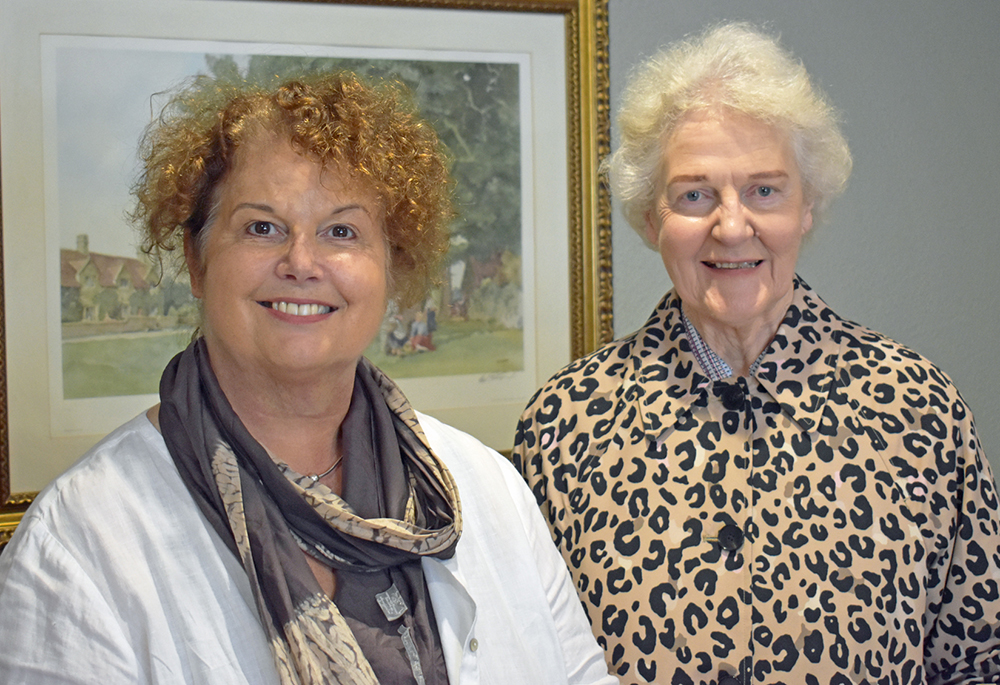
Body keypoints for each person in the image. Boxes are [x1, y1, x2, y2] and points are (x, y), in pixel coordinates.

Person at [0, 72, 616, 685]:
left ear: (391, 267)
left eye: (341, 232)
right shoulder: (79, 541)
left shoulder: (488, 489)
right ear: (196, 260)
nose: (301, 263)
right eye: (262, 228)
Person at [513, 23, 1000, 685]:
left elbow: (977, 660)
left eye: (765, 190)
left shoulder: (917, 408)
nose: (732, 224)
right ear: (652, 219)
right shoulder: (564, 423)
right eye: (695, 194)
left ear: (807, 207)